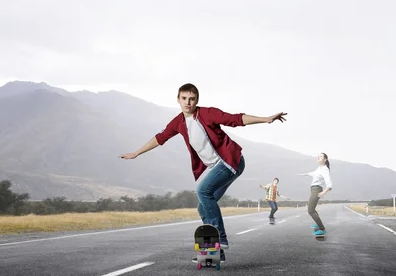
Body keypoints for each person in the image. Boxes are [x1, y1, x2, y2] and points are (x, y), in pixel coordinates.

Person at [119, 83, 287, 262]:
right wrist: (136, 152)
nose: (188, 103)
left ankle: (220, 239)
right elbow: (160, 138)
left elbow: (236, 119)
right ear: (178, 99)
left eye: (191, 99)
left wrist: (265, 119)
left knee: (202, 191)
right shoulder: (178, 122)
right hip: (218, 167)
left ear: (196, 100)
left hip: (230, 161)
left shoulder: (207, 114)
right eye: (184, 98)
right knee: (202, 206)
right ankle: (214, 251)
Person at [297, 152, 333, 236]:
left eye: (321, 156)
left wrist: (323, 192)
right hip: (313, 188)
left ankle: (322, 228)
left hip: (316, 189)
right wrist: (303, 174)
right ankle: (317, 223)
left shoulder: (325, 169)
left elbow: (329, 184)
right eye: (318, 156)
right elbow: (312, 173)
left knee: (310, 210)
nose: (318, 157)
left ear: (325, 159)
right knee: (312, 208)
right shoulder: (319, 168)